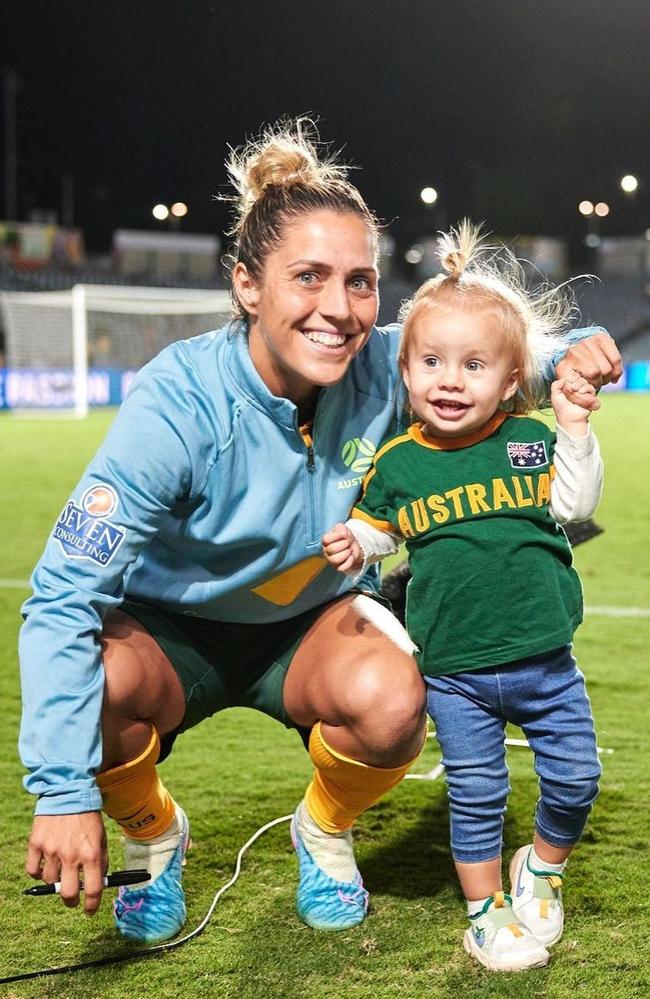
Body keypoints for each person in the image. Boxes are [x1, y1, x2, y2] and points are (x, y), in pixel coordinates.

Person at [19, 123, 620, 947]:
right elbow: (60, 593)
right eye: (309, 277)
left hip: (311, 627)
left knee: (395, 695)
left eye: (361, 282)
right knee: (95, 685)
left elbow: (486, 360)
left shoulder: (382, 367)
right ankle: (154, 834)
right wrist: (60, 791)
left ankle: (323, 830)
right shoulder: (176, 405)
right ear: (246, 285)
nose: (340, 309)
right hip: (170, 632)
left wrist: (573, 361)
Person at [322, 221, 604, 971]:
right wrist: (359, 541)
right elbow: (382, 526)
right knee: (476, 794)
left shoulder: (527, 438)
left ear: (511, 381)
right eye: (432, 362)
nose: (450, 380)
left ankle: (540, 868)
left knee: (577, 779)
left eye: (473, 365)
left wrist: (573, 427)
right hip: (456, 672)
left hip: (548, 660)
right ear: (406, 371)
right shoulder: (399, 461)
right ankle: (485, 913)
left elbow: (576, 506)